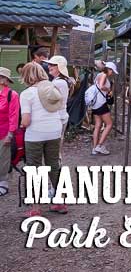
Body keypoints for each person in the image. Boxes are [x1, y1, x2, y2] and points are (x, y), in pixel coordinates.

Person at [20, 62, 65, 216]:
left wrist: (21, 124)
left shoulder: (27, 93)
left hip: (35, 134)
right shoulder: (51, 88)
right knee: (53, 164)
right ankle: (60, 202)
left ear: (26, 76)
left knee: (34, 168)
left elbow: (26, 121)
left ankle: (35, 208)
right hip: (54, 131)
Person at [45, 56, 71, 162]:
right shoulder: (59, 81)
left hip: (57, 116)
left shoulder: (58, 83)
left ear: (59, 67)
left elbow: (49, 99)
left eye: (52, 65)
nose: (49, 66)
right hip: (60, 115)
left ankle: (55, 162)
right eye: (49, 64)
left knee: (54, 142)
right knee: (57, 140)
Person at [0, 67, 20, 197]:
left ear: (4, 80)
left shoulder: (11, 95)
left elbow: (14, 116)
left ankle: (3, 182)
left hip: (4, 131)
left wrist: (10, 134)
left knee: (3, 158)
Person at [90, 61, 117, 155]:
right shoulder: (104, 75)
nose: (112, 73)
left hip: (95, 104)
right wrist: (109, 90)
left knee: (98, 125)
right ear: (109, 69)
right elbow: (101, 86)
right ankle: (99, 146)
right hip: (101, 103)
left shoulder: (98, 75)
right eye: (112, 71)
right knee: (109, 124)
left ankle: (94, 148)